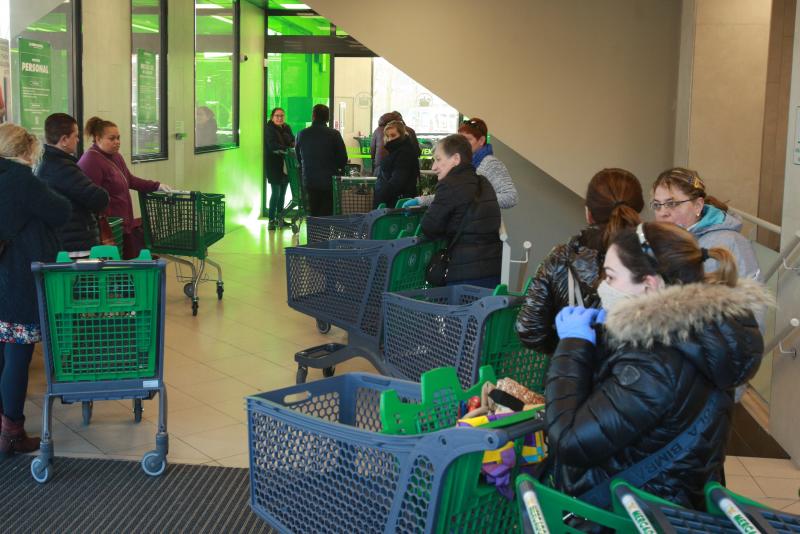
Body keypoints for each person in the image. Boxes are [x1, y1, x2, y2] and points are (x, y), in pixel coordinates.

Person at [546, 222, 769, 510]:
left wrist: (573, 345)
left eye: (611, 277)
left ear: (649, 285)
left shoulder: (653, 362)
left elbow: (569, 441)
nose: (603, 286)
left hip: (630, 513)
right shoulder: (703, 334)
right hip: (672, 502)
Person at [0, 122, 71, 457]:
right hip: (14, 280)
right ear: (25, 151)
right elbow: (61, 211)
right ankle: (11, 432)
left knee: (3, 356)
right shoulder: (21, 180)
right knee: (17, 357)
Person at [516, 168, 643, 353]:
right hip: (636, 375)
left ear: (588, 212)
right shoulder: (656, 256)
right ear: (638, 210)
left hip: (573, 374)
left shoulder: (560, 258)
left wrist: (568, 350)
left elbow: (528, 329)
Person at [77, 116, 170, 259]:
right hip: (109, 229)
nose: (117, 142)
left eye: (118, 138)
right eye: (112, 138)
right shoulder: (91, 160)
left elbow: (130, 180)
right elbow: (91, 198)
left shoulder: (116, 156)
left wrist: (156, 185)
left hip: (124, 225)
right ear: (98, 138)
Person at [420, 134, 501, 288]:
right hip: (493, 269)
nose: (433, 167)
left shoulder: (450, 184)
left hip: (464, 273)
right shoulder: (483, 182)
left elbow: (429, 227)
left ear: (456, 159)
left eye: (438, 159)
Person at [651, 167, 760, 280]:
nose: (662, 213)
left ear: (697, 206)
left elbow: (751, 296)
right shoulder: (652, 244)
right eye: (657, 205)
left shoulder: (731, 242)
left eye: (672, 203)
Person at [38, 113, 109, 256]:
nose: (77, 140)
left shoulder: (44, 161)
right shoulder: (62, 167)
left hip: (62, 240)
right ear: (64, 140)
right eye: (75, 136)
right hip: (74, 245)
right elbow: (98, 198)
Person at [408, 118, 518, 210]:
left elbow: (511, 197)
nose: (462, 145)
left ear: (481, 140)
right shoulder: (461, 161)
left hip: (479, 227)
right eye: (459, 140)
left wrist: (474, 199)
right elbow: (453, 195)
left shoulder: (490, 163)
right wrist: (422, 200)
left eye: (467, 140)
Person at [295, 104, 348, 216]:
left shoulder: (302, 134)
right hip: (329, 181)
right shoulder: (334, 134)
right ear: (327, 118)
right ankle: (324, 233)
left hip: (309, 180)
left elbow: (299, 158)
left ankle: (313, 232)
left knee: (313, 212)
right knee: (327, 213)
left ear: (313, 116)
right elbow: (343, 159)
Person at [373, 120, 420, 209]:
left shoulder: (404, 153)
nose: (390, 139)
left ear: (401, 134)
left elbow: (398, 181)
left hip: (395, 203)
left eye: (393, 135)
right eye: (387, 136)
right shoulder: (398, 150)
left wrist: (382, 195)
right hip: (393, 201)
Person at [265, 107, 295, 230]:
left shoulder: (286, 127)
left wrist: (291, 146)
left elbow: (293, 140)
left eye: (282, 116)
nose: (279, 118)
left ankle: (280, 218)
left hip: (286, 165)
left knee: (283, 193)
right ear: (272, 117)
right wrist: (287, 148)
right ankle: (271, 220)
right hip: (273, 165)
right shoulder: (269, 129)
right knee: (275, 193)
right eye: (277, 116)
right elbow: (272, 145)